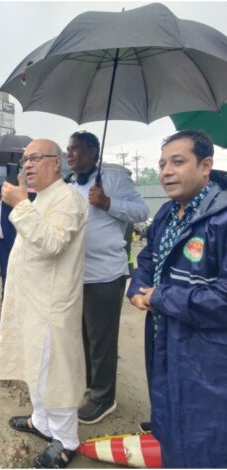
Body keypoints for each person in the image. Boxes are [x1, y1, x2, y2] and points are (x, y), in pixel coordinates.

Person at [127, 130, 227, 468]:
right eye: (161, 164)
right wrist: (137, 289)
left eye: (178, 162)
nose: (166, 172)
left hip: (208, 357)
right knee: (169, 425)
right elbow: (147, 260)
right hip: (164, 341)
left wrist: (161, 297)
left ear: (205, 166)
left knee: (205, 440)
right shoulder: (167, 215)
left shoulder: (221, 219)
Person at [0, 139, 88, 468]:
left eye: (35, 158)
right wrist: (26, 203)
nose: (28, 165)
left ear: (57, 163)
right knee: (34, 364)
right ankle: (42, 422)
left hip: (51, 305)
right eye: (25, 160)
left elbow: (52, 243)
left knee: (54, 371)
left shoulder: (68, 198)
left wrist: (21, 204)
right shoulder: (42, 197)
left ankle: (65, 439)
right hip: (31, 301)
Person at [64, 131, 149, 425]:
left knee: (102, 339)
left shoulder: (114, 178)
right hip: (76, 275)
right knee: (83, 335)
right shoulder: (69, 183)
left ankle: (104, 398)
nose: (69, 154)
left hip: (105, 275)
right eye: (68, 149)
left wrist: (108, 202)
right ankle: (90, 383)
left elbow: (142, 211)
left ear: (93, 151)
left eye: (76, 149)